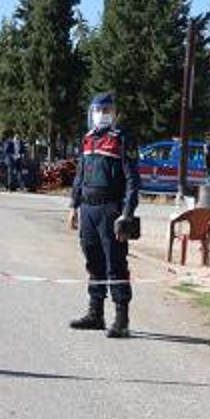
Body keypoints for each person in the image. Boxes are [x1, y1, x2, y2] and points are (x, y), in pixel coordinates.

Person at [67, 93, 140, 337]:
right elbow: (79, 176)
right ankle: (95, 314)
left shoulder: (120, 140)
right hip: (87, 209)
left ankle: (121, 320)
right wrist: (73, 206)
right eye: (98, 110)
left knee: (115, 264)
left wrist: (126, 214)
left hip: (111, 210)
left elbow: (132, 181)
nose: (102, 114)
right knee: (93, 261)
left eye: (107, 110)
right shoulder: (88, 140)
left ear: (114, 113)